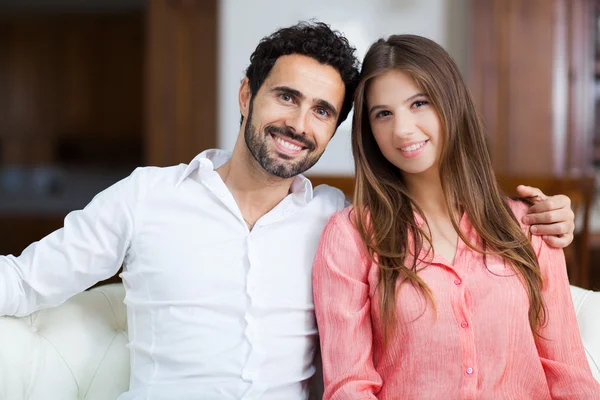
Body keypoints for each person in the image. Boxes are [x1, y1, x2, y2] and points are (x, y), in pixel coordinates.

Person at [0, 22, 575, 400]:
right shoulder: (146, 197)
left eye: (323, 111)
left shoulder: (335, 220)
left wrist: (552, 218)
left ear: (335, 130)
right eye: (286, 97)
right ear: (248, 95)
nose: (300, 124)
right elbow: (25, 281)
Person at [312, 34, 600, 399]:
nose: (402, 129)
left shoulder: (529, 224)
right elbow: (348, 387)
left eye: (419, 103)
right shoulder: (351, 236)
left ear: (451, 104)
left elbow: (569, 376)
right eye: (383, 114)